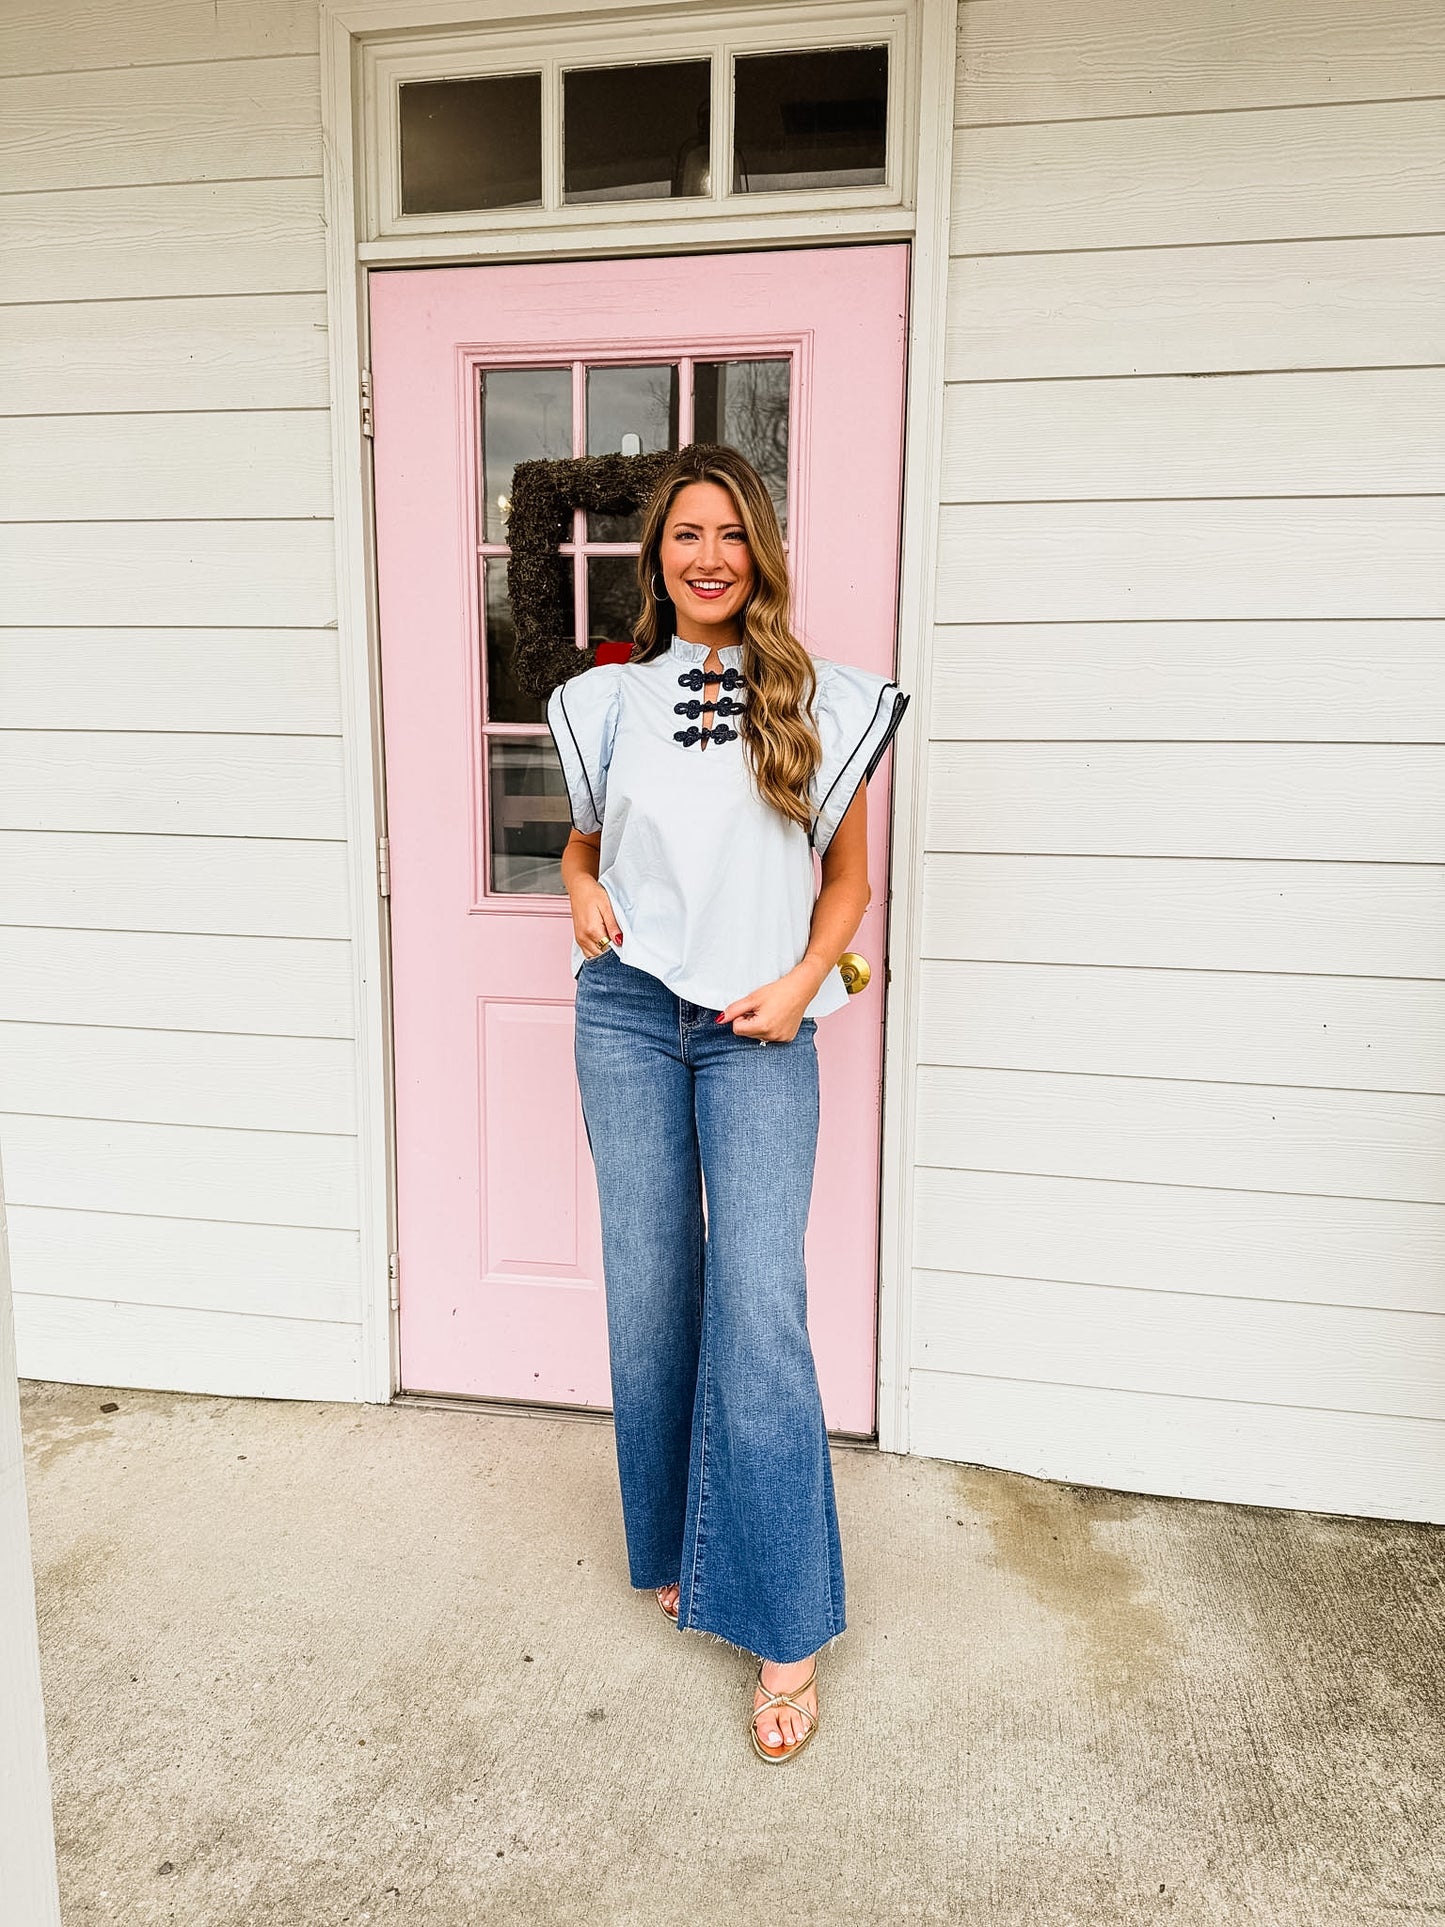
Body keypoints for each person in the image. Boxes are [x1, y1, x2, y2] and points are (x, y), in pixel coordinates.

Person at [545, 443, 909, 1764]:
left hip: (760, 1026)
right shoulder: (599, 706)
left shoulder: (822, 699)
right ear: (657, 560)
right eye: (684, 535)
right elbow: (592, 839)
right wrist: (576, 882)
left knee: (757, 1302)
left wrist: (804, 982)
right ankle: (675, 1544)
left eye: (730, 535)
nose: (707, 555)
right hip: (628, 1015)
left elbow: (848, 886)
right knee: (651, 1287)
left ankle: (783, 1620)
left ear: (759, 554)